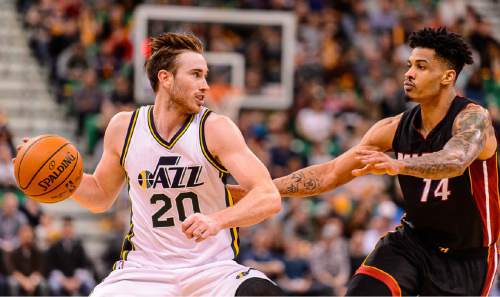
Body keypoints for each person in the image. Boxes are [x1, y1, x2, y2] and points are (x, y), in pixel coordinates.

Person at [230, 27, 499, 295]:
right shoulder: (393, 128)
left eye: (421, 66)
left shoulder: (474, 119)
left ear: (447, 77)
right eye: (409, 65)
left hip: (467, 257)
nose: (408, 73)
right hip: (412, 242)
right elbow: (331, 173)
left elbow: (457, 159)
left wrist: (399, 165)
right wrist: (263, 188)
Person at [16, 32, 282, 296]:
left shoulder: (215, 128)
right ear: (165, 78)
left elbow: (268, 196)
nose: (206, 86)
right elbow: (99, 197)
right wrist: (62, 177)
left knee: (261, 292)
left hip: (211, 270)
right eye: (196, 74)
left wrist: (217, 220)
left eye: (205, 75)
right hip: (143, 272)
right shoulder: (124, 128)